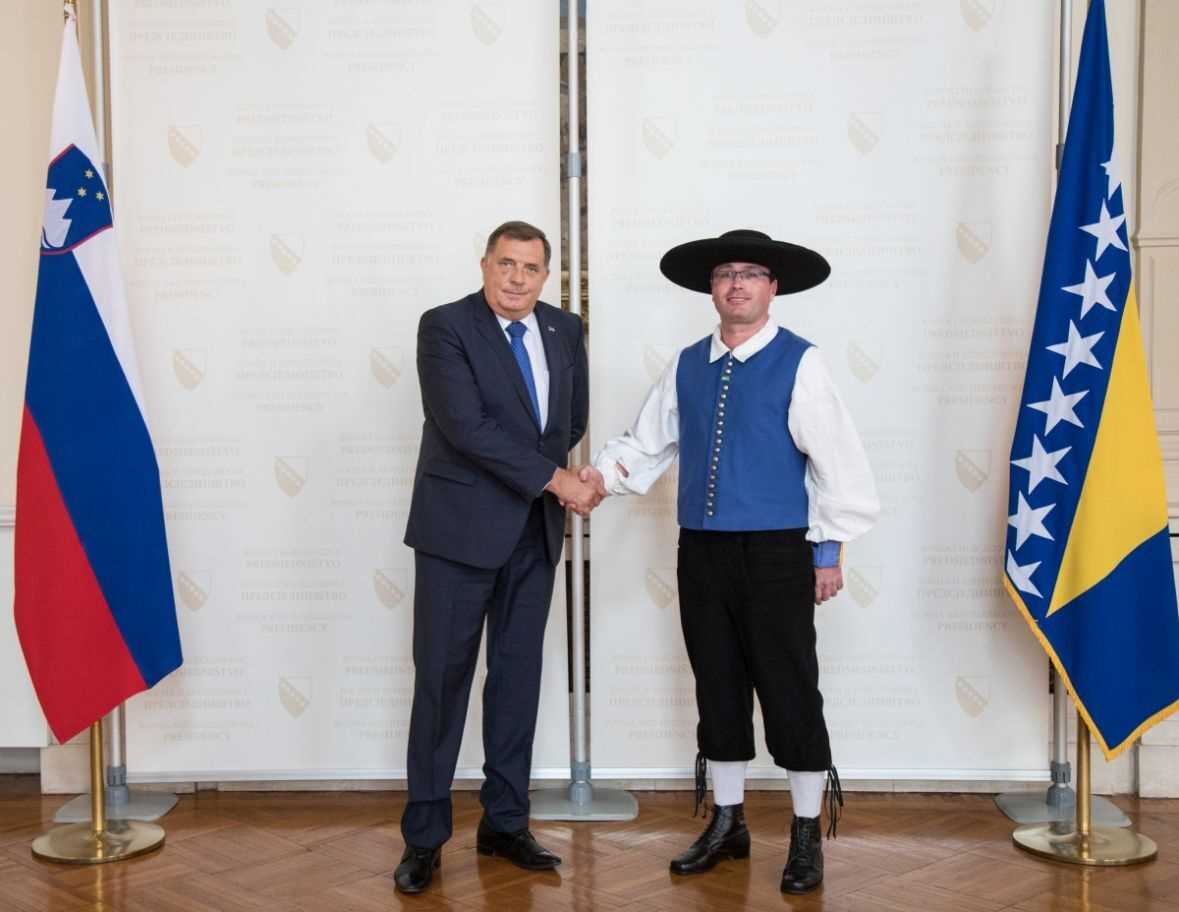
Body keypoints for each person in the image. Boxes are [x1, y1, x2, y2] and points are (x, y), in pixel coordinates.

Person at [584, 228, 879, 894]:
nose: (736, 284)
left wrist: (827, 551)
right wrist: (597, 478)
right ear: (711, 289)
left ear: (772, 288)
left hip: (777, 550)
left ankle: (806, 832)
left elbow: (836, 463)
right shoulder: (687, 363)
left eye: (750, 274)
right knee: (716, 682)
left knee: (788, 686)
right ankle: (727, 822)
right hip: (702, 550)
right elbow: (647, 443)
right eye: (725, 274)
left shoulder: (801, 361)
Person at [395, 220, 601, 894]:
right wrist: (554, 479)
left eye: (531, 268)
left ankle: (506, 823)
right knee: (441, 684)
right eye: (506, 264)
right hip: (457, 536)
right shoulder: (445, 327)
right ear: (484, 264)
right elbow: (464, 427)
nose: (517, 278)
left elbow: (568, 421)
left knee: (516, 683)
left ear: (547, 275)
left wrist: (553, 479)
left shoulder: (565, 330)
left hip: (532, 535)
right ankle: (425, 837)